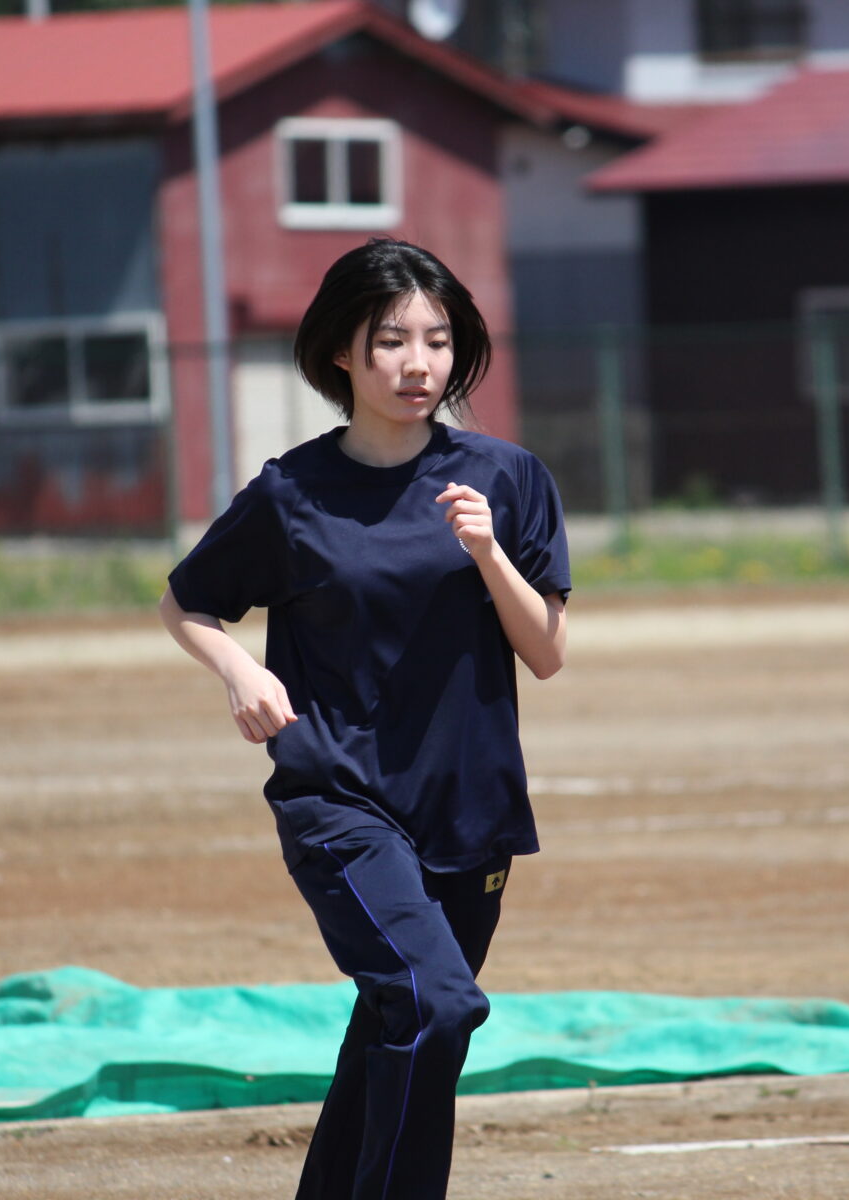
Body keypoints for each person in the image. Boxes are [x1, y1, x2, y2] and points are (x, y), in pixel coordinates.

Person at [158, 237, 570, 1200]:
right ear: (342, 352)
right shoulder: (292, 494)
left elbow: (546, 652)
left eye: (436, 339)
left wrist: (488, 554)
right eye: (390, 340)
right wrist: (235, 669)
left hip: (469, 811)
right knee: (434, 1004)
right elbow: (185, 601)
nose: (416, 363)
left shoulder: (505, 481)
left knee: (395, 1027)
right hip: (338, 799)